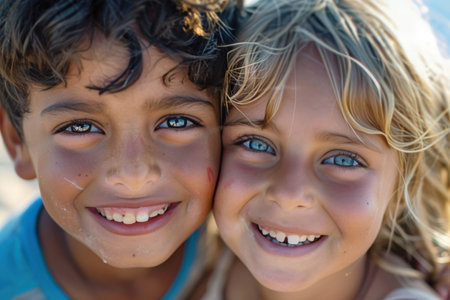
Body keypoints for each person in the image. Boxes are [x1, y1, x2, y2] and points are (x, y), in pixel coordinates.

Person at [205, 0, 450, 299]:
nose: (289, 194)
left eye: (343, 160)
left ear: (402, 189)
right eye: (256, 144)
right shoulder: (205, 262)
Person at [0, 0, 240, 299]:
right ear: (17, 142)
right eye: (80, 127)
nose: (133, 175)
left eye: (177, 122)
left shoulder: (251, 254)